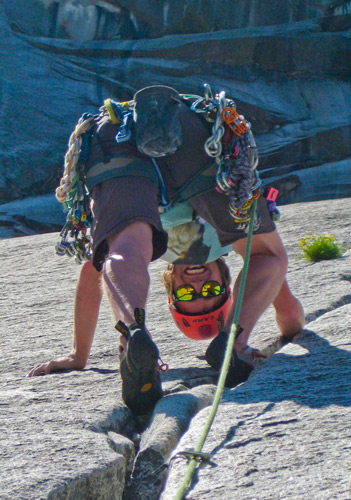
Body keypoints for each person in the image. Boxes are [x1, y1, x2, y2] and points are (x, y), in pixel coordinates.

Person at [28, 85, 305, 415]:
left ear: (171, 290)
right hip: (190, 140)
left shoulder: (156, 260)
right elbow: (288, 312)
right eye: (211, 291)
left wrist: (79, 356)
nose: (197, 285)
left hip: (117, 135)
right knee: (268, 257)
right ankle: (234, 342)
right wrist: (288, 335)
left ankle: (133, 333)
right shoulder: (242, 258)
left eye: (187, 296)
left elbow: (95, 273)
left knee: (125, 249)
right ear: (230, 284)